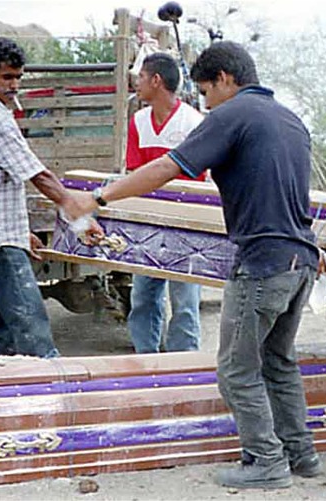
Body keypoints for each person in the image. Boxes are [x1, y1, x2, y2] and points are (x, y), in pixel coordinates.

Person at [74, 41, 324, 490]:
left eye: (207, 91)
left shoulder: (231, 115)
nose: (205, 103)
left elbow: (169, 168)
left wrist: (98, 196)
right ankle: (301, 454)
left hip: (263, 262)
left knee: (235, 369)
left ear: (225, 79)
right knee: (278, 361)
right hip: (302, 259)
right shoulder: (291, 120)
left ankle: (267, 462)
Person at [0, 37, 90, 358]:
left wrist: (19, 233)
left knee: (6, 335)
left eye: (18, 77)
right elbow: (37, 175)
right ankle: (50, 399)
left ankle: (11, 398)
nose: (14, 85)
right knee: (33, 336)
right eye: (7, 77)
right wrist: (77, 211)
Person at [124, 53, 205, 354]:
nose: (137, 83)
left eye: (141, 77)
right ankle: (145, 361)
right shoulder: (138, 122)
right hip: (147, 226)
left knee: (185, 302)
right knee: (143, 297)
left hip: (184, 226)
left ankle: (183, 365)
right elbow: (134, 173)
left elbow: (197, 180)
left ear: (156, 80)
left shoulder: (193, 123)